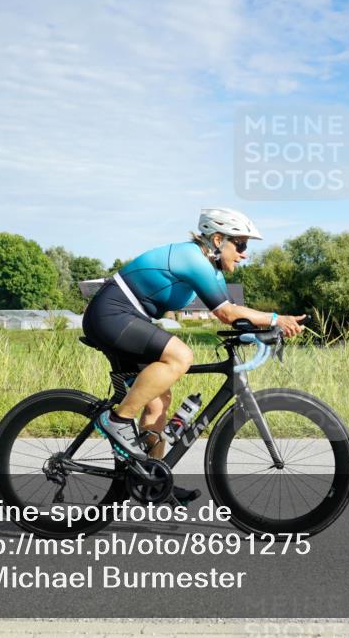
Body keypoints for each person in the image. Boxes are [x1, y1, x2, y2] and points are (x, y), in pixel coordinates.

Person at [82, 208, 306, 501]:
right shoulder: (193, 258)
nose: (245, 254)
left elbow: (230, 312)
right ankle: (118, 420)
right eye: (240, 245)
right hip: (112, 314)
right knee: (180, 357)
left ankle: (150, 479)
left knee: (158, 402)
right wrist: (276, 319)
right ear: (217, 239)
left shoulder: (210, 269)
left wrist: (256, 330)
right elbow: (227, 313)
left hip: (125, 317)